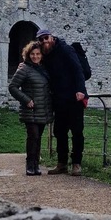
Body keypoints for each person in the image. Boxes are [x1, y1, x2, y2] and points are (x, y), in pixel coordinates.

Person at [35, 29, 87, 176]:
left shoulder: (65, 49)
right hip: (59, 99)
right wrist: (23, 66)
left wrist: (80, 90)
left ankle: (76, 163)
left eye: (46, 38)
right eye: (42, 39)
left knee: (77, 131)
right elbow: (33, 59)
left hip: (74, 97)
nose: (45, 41)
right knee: (59, 131)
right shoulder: (45, 53)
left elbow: (78, 70)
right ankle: (62, 163)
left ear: (52, 37)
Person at [8, 40, 54, 176]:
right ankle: (29, 165)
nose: (35, 56)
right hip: (31, 109)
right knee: (32, 136)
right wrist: (26, 100)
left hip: (42, 110)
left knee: (38, 137)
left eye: (38, 54)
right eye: (33, 54)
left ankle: (36, 165)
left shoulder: (44, 70)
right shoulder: (24, 69)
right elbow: (12, 87)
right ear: (28, 55)